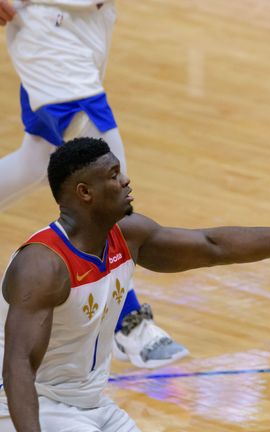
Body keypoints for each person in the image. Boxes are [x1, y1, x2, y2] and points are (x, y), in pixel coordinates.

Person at [0, 137, 270, 432]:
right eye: (113, 175)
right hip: (39, 405)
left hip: (92, 402)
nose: (125, 180)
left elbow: (212, 246)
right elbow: (18, 366)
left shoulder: (127, 237)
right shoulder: (43, 266)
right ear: (84, 192)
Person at [0, 0, 187, 368]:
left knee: (36, 161)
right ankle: (126, 324)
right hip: (47, 24)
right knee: (107, 175)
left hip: (90, 20)